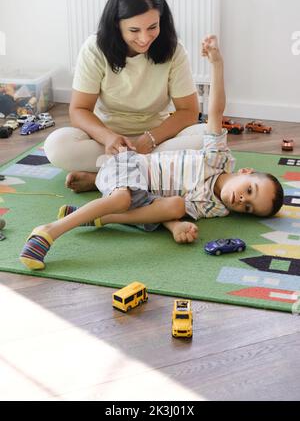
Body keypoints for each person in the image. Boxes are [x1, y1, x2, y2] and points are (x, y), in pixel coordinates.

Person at [19, 35, 284, 271]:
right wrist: (217, 64)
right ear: (245, 172)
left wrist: (175, 226)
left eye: (248, 208)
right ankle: (50, 231)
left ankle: (95, 212)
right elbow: (215, 112)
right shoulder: (218, 158)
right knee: (124, 198)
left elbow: (163, 209)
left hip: (144, 196)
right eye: (249, 190)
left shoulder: (215, 208)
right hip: (130, 162)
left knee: (177, 206)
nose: (241, 200)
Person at [44, 0, 206, 193]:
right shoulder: (94, 49)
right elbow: (79, 110)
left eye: (152, 27)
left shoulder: (174, 51)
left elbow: (189, 111)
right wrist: (108, 137)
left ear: (162, 21)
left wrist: (149, 139)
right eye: (134, 30)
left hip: (157, 140)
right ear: (116, 25)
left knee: (209, 138)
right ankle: (148, 173)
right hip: (107, 143)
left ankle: (101, 178)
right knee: (57, 146)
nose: (144, 38)